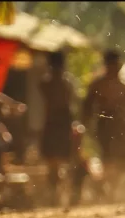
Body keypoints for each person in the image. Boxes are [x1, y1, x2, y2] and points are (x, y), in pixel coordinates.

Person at [81, 50, 125, 202]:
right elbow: (87, 106)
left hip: (121, 127)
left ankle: (113, 188)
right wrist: (86, 125)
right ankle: (107, 187)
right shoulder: (98, 84)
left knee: (122, 161)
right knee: (107, 157)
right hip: (105, 126)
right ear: (107, 65)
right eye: (111, 65)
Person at [39, 51, 77, 206]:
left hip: (57, 123)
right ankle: (56, 195)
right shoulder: (66, 83)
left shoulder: (47, 83)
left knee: (57, 162)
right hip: (57, 123)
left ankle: (59, 195)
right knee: (56, 163)